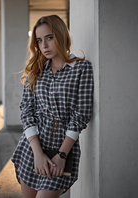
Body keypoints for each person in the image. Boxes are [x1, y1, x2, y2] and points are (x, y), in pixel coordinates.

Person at [11, 15, 94, 198]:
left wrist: (62, 155)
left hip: (61, 147)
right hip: (32, 147)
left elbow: (81, 115)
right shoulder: (36, 70)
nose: (44, 45)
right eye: (39, 40)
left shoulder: (81, 68)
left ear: (61, 35)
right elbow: (26, 111)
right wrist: (38, 153)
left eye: (49, 37)